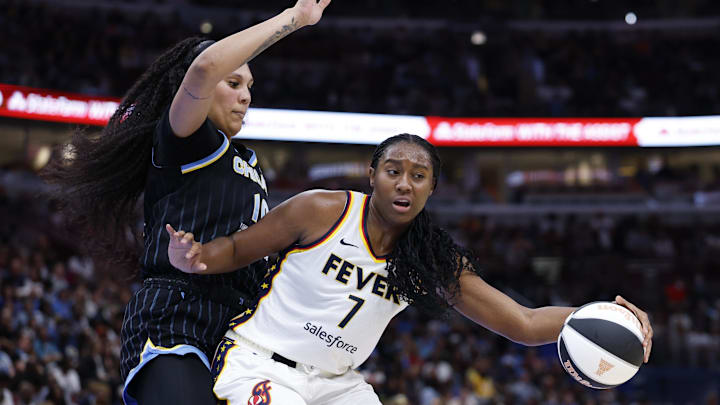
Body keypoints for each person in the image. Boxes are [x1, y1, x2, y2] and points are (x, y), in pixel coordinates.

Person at [167, 134, 654, 404]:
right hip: (259, 362)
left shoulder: (429, 259)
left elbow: (524, 324)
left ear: (431, 189)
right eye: (393, 170)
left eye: (418, 176)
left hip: (338, 385)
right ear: (372, 174)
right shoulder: (321, 210)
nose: (404, 183)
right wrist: (193, 256)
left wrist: (608, 317)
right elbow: (232, 250)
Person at [42, 1, 332, 404]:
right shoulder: (186, 140)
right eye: (233, 83)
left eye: (249, 87)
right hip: (176, 316)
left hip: (238, 335)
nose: (245, 96)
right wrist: (295, 19)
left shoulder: (248, 162)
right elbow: (204, 68)